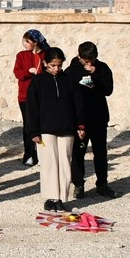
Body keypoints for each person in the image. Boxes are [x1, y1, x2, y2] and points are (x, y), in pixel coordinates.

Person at [25, 47, 86, 213]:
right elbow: (31, 108)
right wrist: (33, 131)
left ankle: (61, 198)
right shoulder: (37, 82)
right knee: (49, 164)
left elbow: (78, 103)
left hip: (67, 129)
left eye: (59, 65)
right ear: (45, 63)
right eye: (52, 65)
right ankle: (50, 197)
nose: (56, 69)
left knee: (65, 163)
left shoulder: (69, 80)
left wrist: (81, 125)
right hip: (45, 130)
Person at [64, 41, 116, 199]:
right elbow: (69, 97)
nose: (89, 64)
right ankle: (78, 184)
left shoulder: (102, 68)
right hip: (81, 119)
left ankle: (102, 184)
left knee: (100, 152)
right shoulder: (71, 71)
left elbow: (108, 90)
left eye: (92, 60)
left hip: (99, 117)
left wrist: (95, 74)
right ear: (79, 56)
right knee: (78, 153)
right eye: (86, 61)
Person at [12, 29, 48, 166]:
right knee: (28, 125)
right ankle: (29, 154)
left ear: (35, 42)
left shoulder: (44, 55)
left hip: (42, 96)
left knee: (42, 124)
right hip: (25, 97)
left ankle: (42, 153)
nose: (25, 44)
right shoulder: (21, 55)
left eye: (27, 41)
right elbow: (17, 72)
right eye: (24, 41)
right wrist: (28, 71)